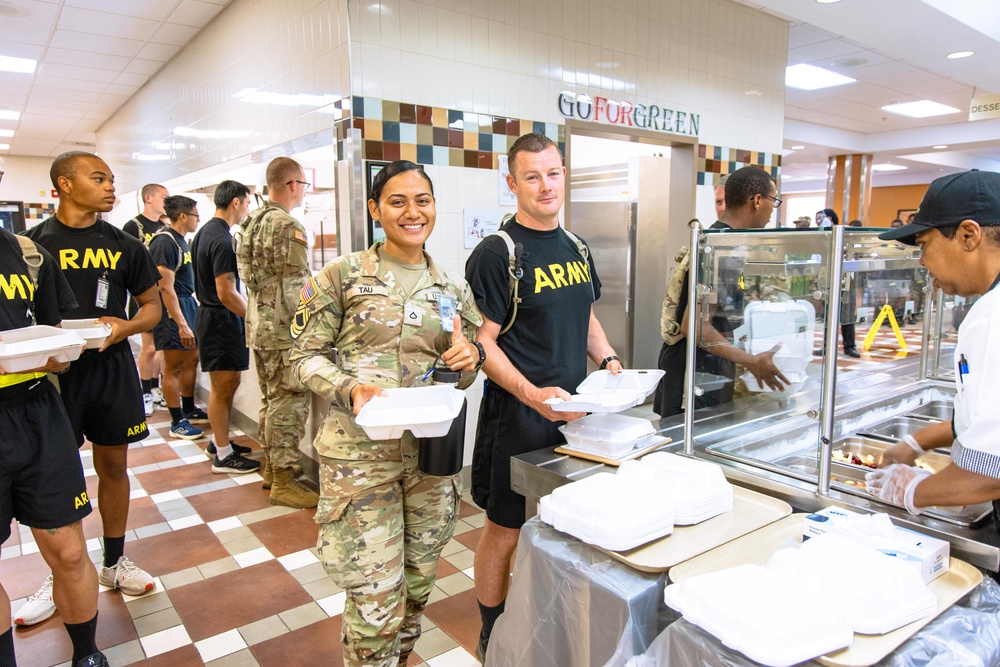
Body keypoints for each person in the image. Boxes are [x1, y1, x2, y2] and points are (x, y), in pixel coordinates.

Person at [290, 160, 483, 666]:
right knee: (376, 600)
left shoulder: (451, 289)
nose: (412, 212)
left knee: (417, 587)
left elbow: (462, 371)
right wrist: (348, 387)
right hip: (361, 460)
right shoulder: (343, 276)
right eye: (397, 201)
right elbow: (302, 355)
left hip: (430, 460)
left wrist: (469, 361)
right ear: (376, 209)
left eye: (423, 200)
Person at [464, 133, 622, 660]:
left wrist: (608, 360)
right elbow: (482, 342)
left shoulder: (576, 247)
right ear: (512, 183)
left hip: (577, 415)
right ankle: (491, 628)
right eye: (531, 176)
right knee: (504, 530)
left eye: (553, 173)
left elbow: (585, 316)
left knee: (571, 524)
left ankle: (553, 618)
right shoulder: (498, 253)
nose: (545, 185)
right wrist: (532, 394)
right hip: (518, 416)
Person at [21, 151, 161, 617]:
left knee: (113, 466)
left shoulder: (125, 244)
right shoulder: (31, 246)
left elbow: (151, 309)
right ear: (63, 183)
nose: (109, 187)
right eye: (98, 178)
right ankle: (63, 570)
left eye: (111, 179)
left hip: (109, 368)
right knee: (54, 477)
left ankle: (114, 560)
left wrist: (122, 328)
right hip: (50, 377)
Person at [0, 226, 109, 666]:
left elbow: (50, 333)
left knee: (69, 549)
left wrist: (58, 354)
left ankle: (87, 653)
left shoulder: (27, 254)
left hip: (37, 413)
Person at [867, 170, 1000, 524]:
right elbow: (984, 416)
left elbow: (990, 472)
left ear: (968, 235)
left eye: (924, 245)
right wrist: (915, 443)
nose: (923, 262)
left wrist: (911, 491)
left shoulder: (993, 317)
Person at [653, 165, 790, 418]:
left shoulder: (724, 241)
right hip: (695, 371)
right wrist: (752, 360)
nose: (773, 209)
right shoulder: (719, 248)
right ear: (758, 200)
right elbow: (693, 326)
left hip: (705, 365)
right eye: (774, 200)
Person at [236, 157, 317, 507]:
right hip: (284, 328)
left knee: (271, 400)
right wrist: (312, 325)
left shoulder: (251, 221)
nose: (302, 192)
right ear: (292, 185)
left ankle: (272, 468)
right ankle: (285, 480)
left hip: (258, 322)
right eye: (303, 185)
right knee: (289, 402)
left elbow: (247, 276)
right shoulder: (287, 224)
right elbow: (297, 286)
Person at [190, 181, 261, 473]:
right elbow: (227, 292)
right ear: (235, 202)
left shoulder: (205, 232)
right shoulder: (221, 239)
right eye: (246, 204)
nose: (246, 210)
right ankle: (222, 455)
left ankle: (220, 442)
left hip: (215, 317)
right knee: (222, 387)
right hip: (220, 320)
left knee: (228, 384)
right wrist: (255, 318)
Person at [149, 195, 214, 443]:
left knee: (192, 359)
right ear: (184, 216)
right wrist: (181, 323)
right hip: (172, 309)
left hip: (188, 304)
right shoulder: (165, 242)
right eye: (196, 215)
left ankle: (188, 408)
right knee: (173, 366)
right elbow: (165, 287)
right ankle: (177, 421)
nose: (198, 220)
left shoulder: (181, 241)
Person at [123, 183, 168, 415]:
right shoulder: (134, 226)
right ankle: (145, 392)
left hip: (164, 294)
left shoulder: (165, 225)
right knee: (149, 347)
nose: (166, 201)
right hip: (144, 295)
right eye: (163, 197)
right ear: (148, 198)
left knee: (162, 348)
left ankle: (157, 387)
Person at [811, 209, 861, 358]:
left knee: (847, 316)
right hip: (828, 282)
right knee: (828, 317)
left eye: (820, 219)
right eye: (817, 220)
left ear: (830, 218)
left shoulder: (846, 234)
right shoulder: (822, 237)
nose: (818, 222)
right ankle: (827, 346)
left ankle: (849, 346)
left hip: (847, 281)